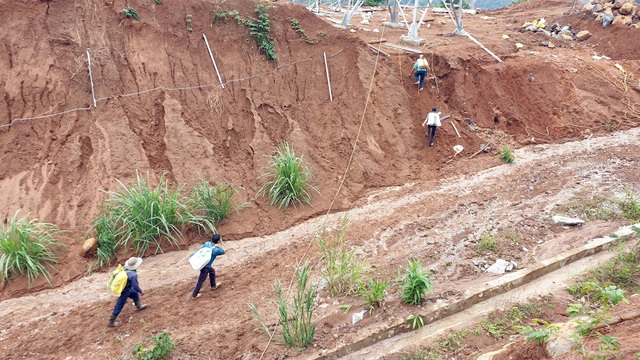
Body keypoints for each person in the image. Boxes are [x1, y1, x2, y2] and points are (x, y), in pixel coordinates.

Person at [109, 257, 148, 327]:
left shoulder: (124, 268)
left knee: (135, 294)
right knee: (119, 304)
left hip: (124, 287)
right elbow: (135, 286)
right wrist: (141, 291)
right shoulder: (133, 274)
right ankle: (111, 321)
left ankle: (139, 306)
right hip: (125, 290)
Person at [191, 234, 225, 300]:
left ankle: (213, 285)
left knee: (212, 271)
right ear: (218, 241)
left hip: (202, 263)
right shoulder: (216, 250)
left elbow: (201, 249)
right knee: (201, 280)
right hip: (206, 266)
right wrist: (219, 247)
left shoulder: (207, 243)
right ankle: (194, 295)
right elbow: (223, 251)